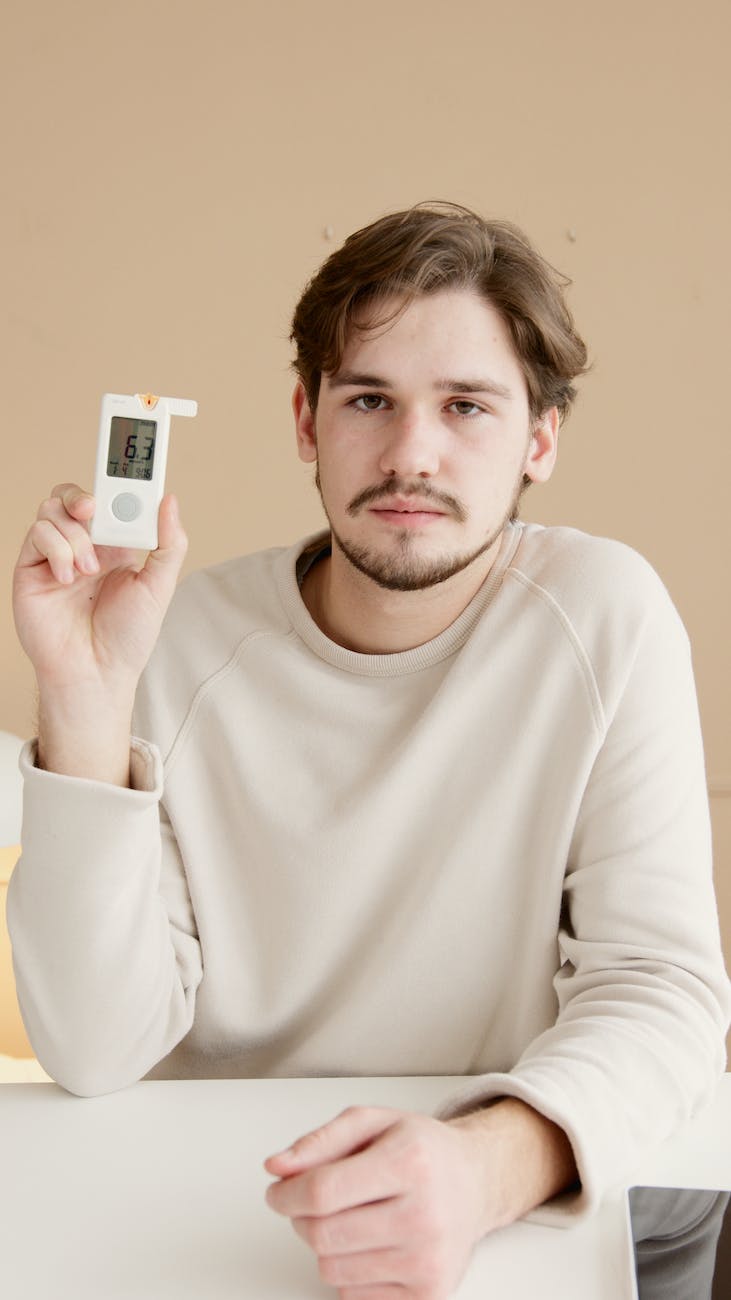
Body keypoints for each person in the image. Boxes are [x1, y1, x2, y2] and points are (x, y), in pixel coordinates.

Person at [9, 202, 730, 1300]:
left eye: (466, 407)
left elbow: (663, 990)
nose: (410, 454)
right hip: (203, 1214)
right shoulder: (174, 635)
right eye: (367, 400)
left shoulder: (606, 615)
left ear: (539, 437)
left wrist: (489, 1164)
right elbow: (96, 1051)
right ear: (306, 420)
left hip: (503, 1224)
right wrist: (83, 700)